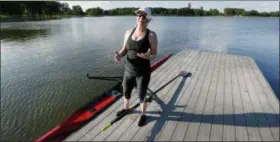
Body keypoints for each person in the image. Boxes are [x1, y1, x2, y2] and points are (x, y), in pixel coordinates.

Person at [114, 7, 158, 127]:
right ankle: (125, 108)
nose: (140, 18)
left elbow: (154, 54)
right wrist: (119, 56)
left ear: (148, 19)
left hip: (143, 72)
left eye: (143, 16)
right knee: (126, 92)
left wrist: (147, 56)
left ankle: (143, 114)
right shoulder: (129, 32)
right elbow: (124, 49)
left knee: (141, 95)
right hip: (128, 70)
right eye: (138, 15)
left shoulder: (152, 35)